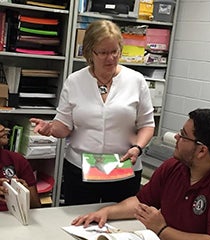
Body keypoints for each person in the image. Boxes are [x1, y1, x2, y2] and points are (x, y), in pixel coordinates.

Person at [30, 20, 155, 205]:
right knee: (79, 222)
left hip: (123, 167)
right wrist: (50, 129)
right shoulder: (75, 81)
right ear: (89, 52)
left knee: (119, 226)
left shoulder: (135, 81)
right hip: (81, 169)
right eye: (103, 53)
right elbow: (63, 127)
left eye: (115, 51)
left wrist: (138, 148)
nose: (110, 58)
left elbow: (147, 125)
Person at [71, 108, 210, 240]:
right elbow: (141, 202)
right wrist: (107, 212)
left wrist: (162, 230)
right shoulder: (174, 166)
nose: (176, 137)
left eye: (183, 135)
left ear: (202, 151)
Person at [0, 124, 41, 211]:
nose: (2, 128)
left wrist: (24, 192)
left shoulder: (17, 159)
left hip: (15, 216)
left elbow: (35, 205)